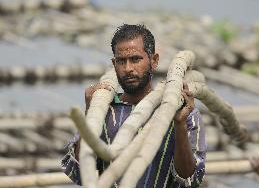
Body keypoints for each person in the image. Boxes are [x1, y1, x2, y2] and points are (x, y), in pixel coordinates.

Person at [61, 24, 206, 188]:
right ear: (114, 64)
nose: (128, 68)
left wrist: (179, 124)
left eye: (135, 59)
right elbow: (79, 173)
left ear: (154, 60)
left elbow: (190, 179)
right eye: (121, 61)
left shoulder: (183, 111)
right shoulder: (104, 110)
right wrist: (89, 113)